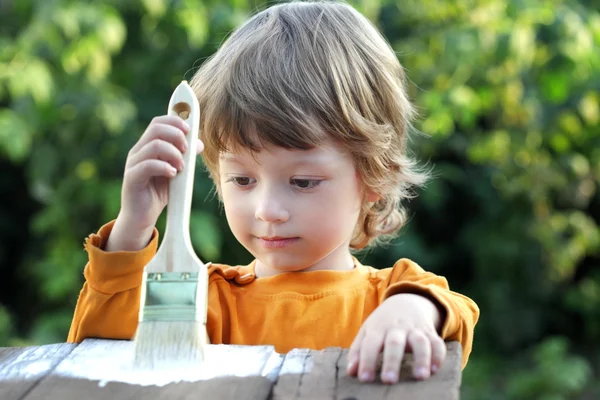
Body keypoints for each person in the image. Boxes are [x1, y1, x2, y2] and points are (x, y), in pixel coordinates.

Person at [68, 0, 479, 385]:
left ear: (375, 176)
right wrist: (133, 228)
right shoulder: (203, 299)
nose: (267, 210)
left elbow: (454, 314)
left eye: (302, 182)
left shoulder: (392, 296)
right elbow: (96, 359)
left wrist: (414, 311)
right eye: (242, 180)